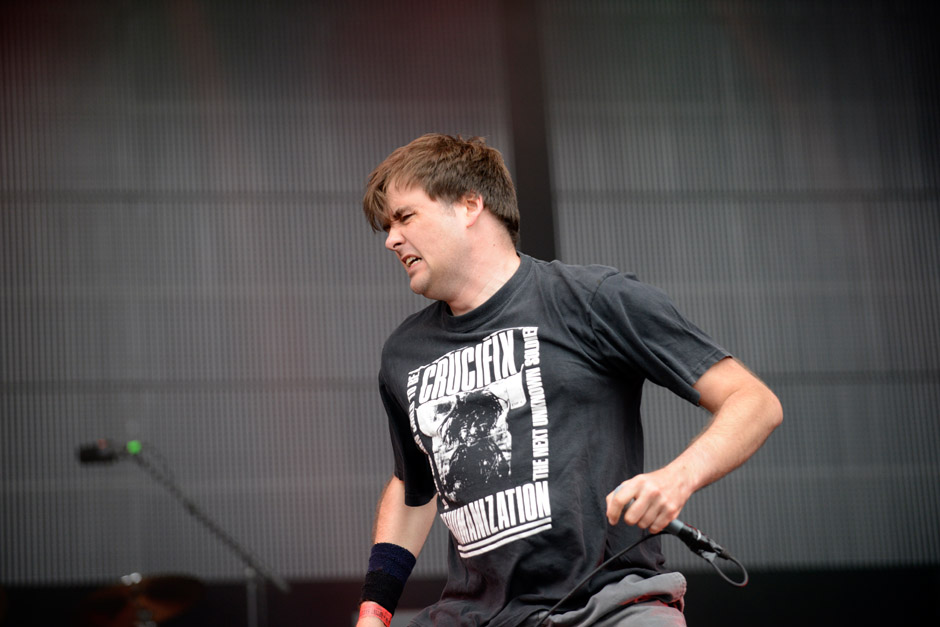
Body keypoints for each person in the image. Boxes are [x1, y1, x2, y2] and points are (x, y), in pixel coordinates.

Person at [355, 134, 782, 627]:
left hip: (608, 606)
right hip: (475, 616)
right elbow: (413, 490)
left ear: (470, 204)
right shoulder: (404, 353)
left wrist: (677, 478)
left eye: (405, 217)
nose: (391, 239)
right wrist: (374, 610)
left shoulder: (592, 299)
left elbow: (753, 401)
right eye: (387, 226)